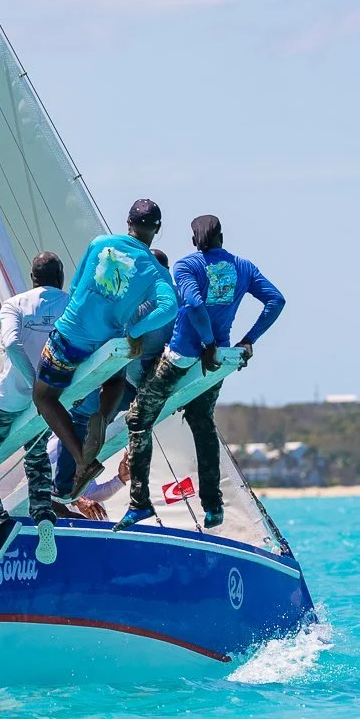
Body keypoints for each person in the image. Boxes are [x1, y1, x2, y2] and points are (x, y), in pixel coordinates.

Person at [117, 214, 285, 531]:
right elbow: (275, 301)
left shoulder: (187, 266)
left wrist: (205, 342)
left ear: (195, 241)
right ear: (221, 236)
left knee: (139, 419)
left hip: (182, 356)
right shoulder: (243, 267)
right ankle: (214, 506)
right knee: (202, 423)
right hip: (216, 361)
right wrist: (248, 340)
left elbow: (193, 305)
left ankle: (139, 503)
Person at [34, 200, 177, 504]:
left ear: (127, 222)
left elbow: (74, 288)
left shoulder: (100, 244)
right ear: (158, 230)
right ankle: (103, 413)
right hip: (108, 343)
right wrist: (134, 332)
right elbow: (170, 307)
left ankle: (81, 458)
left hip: (69, 336)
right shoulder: (154, 270)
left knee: (44, 397)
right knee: (114, 381)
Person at [0, 252, 69, 569]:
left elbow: (10, 344)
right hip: (51, 399)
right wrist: (47, 387)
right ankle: (44, 515)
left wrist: (32, 382)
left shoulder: (16, 304)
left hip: (11, 397)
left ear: (32, 277)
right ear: (60, 277)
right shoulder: (70, 304)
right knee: (35, 458)